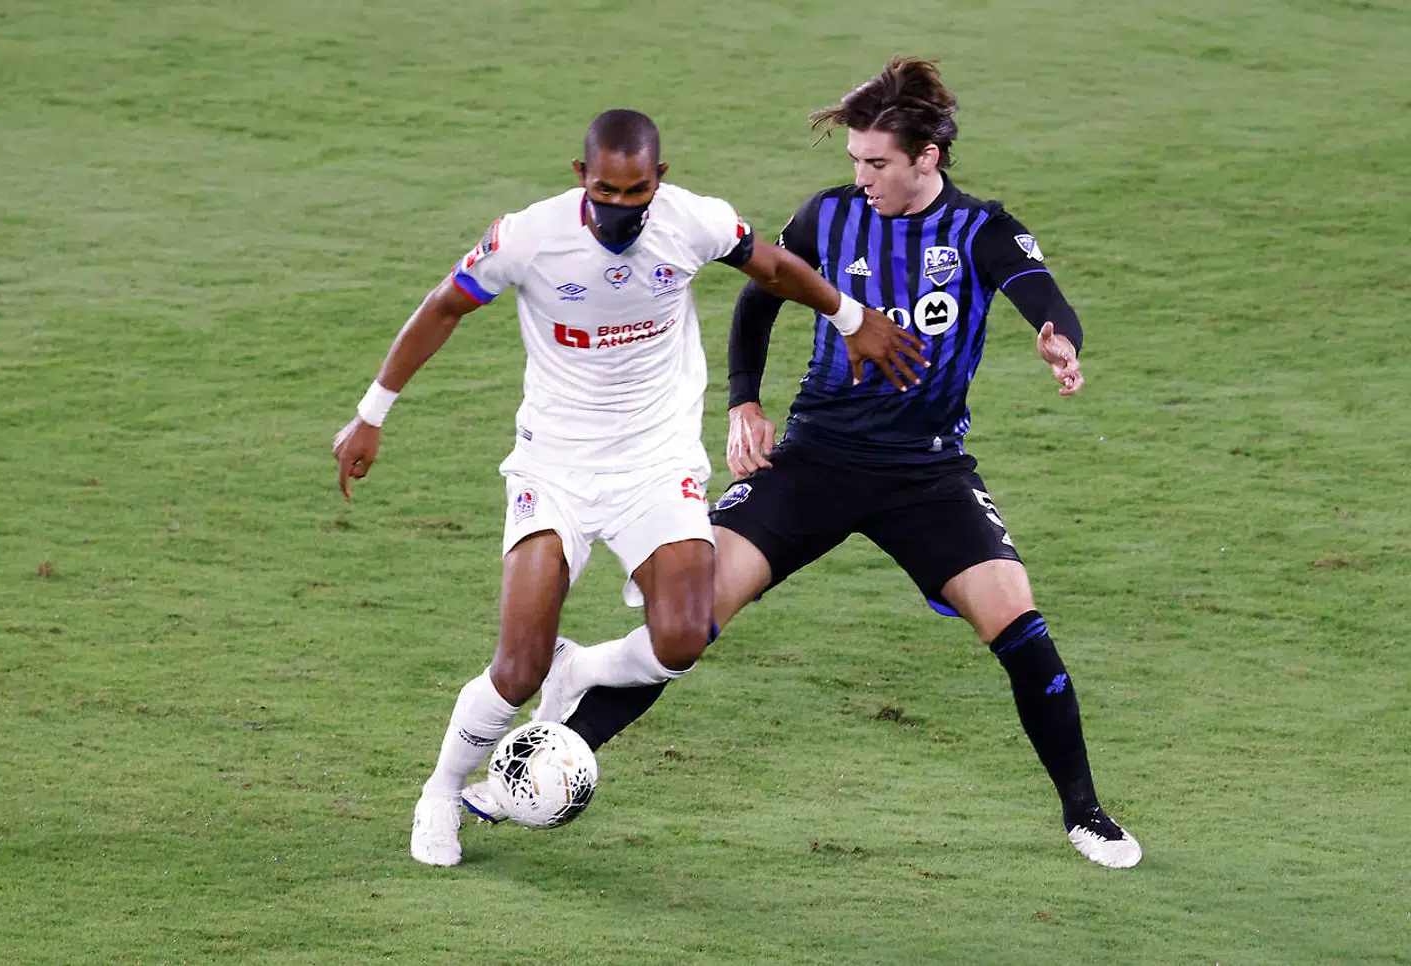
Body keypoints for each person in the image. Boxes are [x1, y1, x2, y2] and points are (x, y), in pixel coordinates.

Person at [463, 60, 1142, 869]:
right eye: (854, 160)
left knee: (1020, 624)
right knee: (689, 620)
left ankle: (1085, 813)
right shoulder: (828, 217)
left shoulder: (980, 231)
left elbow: (1039, 289)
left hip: (927, 473)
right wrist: (745, 402)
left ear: (928, 157)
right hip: (815, 459)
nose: (861, 178)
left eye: (878, 163)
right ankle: (538, 763)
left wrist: (1057, 338)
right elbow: (758, 298)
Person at [332, 109, 924, 867]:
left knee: (680, 640)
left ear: (658, 180)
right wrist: (370, 415)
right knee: (517, 668)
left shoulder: (692, 223)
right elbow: (446, 304)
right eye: (606, 191)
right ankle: (441, 792)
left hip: (655, 463)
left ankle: (581, 668)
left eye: (636, 192)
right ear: (581, 178)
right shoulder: (529, 238)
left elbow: (772, 268)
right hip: (556, 468)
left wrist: (850, 317)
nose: (620, 209)